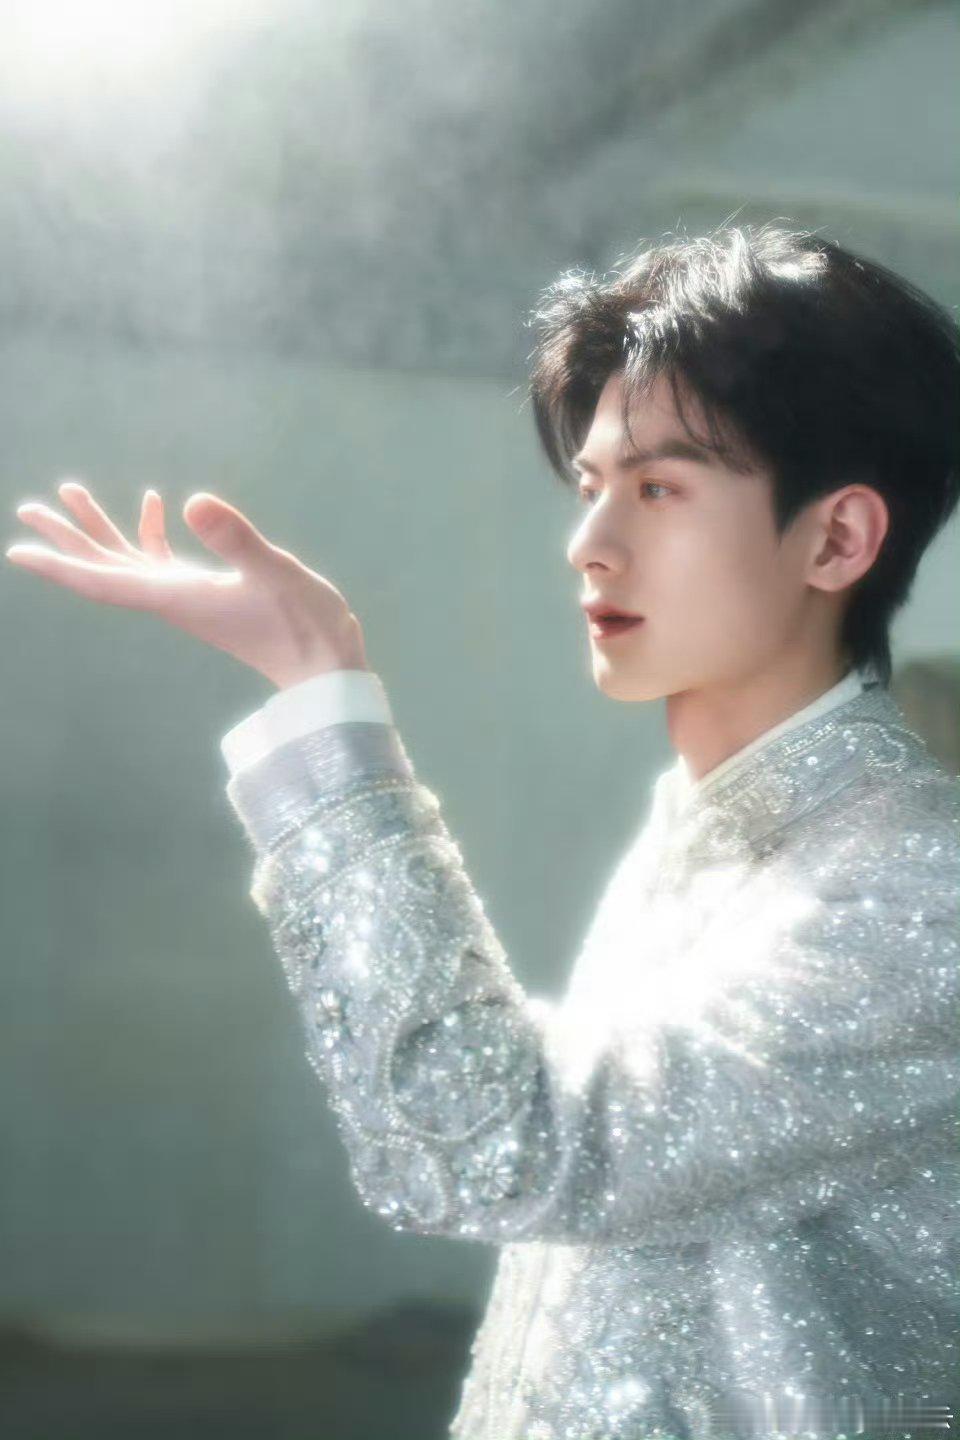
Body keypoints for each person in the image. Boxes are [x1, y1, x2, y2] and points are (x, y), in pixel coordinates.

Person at [6, 222, 959, 1440]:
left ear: (837, 539)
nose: (588, 545)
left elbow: (496, 1145)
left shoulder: (919, 883)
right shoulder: (707, 829)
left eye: (659, 488)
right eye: (591, 487)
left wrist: (322, 693)